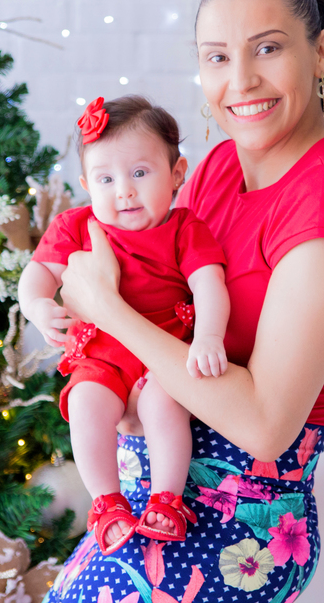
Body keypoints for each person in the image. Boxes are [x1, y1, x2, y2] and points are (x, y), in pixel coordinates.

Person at [22, 0, 324, 603]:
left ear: (321, 54)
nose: (241, 81)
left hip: (240, 521)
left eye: (268, 49)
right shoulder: (219, 168)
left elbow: (263, 426)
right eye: (217, 57)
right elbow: (149, 288)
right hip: (148, 491)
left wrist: (109, 312)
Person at [18, 95, 231, 555]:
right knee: (87, 404)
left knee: (163, 403)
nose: (124, 191)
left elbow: (211, 285)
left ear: (177, 174)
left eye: (140, 173)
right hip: (102, 355)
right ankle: (108, 503)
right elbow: (36, 275)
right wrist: (37, 306)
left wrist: (210, 335)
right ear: (86, 185)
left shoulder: (183, 230)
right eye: (106, 179)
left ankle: (167, 499)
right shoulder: (76, 225)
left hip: (163, 352)